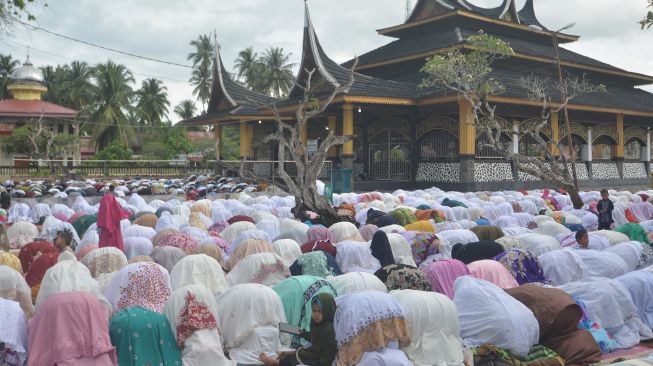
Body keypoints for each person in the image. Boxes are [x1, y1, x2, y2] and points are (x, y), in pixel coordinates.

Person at [259, 293, 338, 366]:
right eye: (314, 311)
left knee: (295, 359)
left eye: (320, 311)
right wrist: (301, 332)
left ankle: (274, 362)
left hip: (321, 359)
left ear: (327, 311)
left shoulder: (329, 329)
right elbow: (313, 337)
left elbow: (327, 354)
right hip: (315, 353)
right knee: (299, 352)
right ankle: (287, 354)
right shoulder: (319, 325)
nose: (316, 314)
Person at [97, 184, 131, 251]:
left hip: (104, 238)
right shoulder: (118, 211)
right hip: (117, 238)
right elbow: (125, 212)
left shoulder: (103, 212)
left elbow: (99, 227)